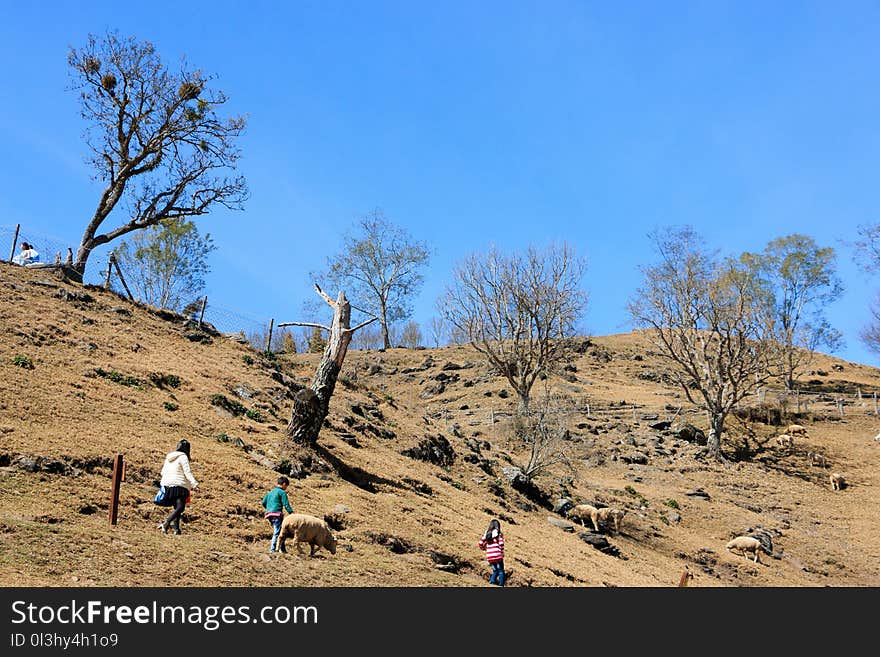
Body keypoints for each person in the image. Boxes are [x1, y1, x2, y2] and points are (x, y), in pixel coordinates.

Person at [157, 439, 199, 535]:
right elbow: (187, 472)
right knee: (180, 507)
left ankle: (177, 529)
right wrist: (194, 484)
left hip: (168, 485)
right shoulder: (183, 457)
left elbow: (162, 472)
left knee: (177, 507)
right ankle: (167, 522)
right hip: (179, 485)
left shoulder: (169, 457)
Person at [261, 476, 294, 553]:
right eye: (286, 486)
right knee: (277, 531)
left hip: (269, 514)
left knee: (280, 532)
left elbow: (263, 502)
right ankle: (272, 549)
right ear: (284, 484)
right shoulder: (282, 492)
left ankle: (282, 549)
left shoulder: (270, 492)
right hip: (277, 514)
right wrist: (291, 513)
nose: (286, 488)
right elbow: (286, 504)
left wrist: (268, 508)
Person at [477, 518, 505, 586]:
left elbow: (480, 543)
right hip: (497, 555)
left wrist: (483, 548)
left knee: (495, 571)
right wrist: (501, 551)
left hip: (489, 556)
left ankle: (492, 582)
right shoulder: (498, 533)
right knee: (500, 571)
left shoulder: (487, 534)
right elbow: (501, 543)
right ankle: (501, 584)